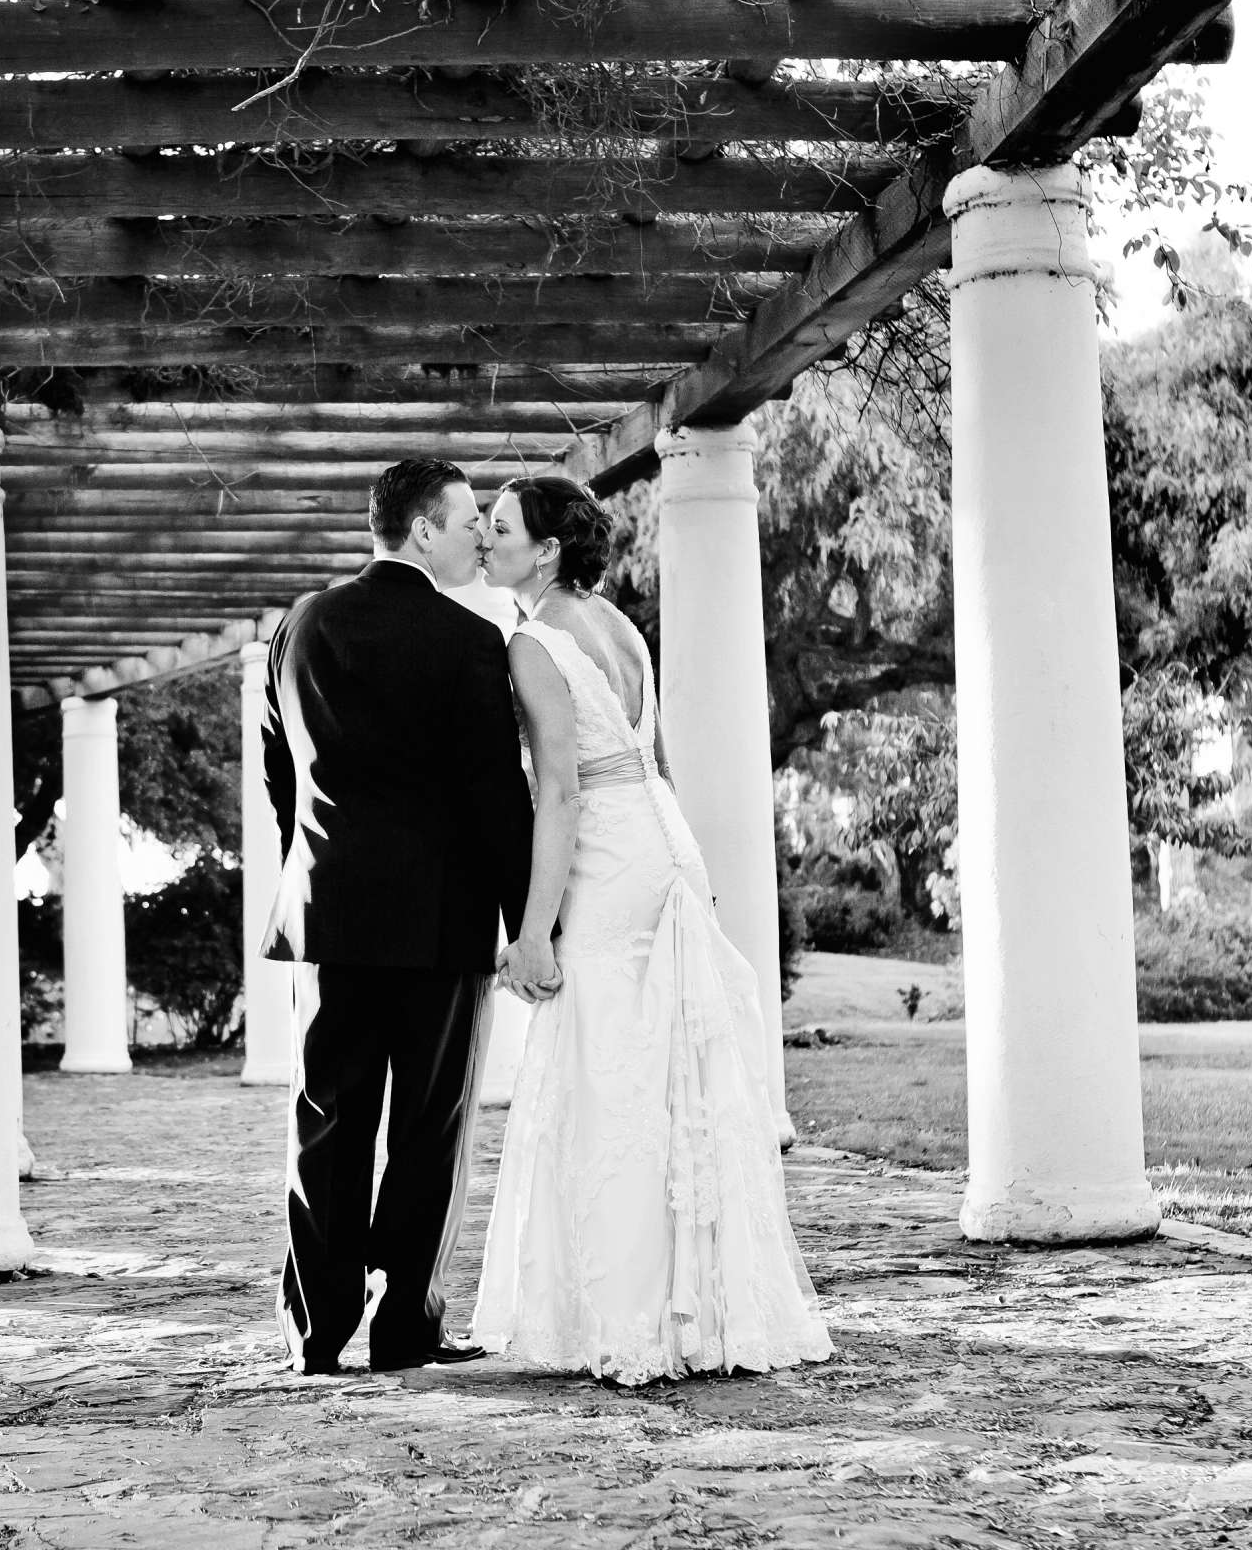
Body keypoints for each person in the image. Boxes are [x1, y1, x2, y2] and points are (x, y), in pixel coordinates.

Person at [471, 475, 831, 1384]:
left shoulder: (533, 643)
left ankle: (629, 1316)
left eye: (502, 528)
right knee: (674, 1073)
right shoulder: (623, 625)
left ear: (546, 550)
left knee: (611, 1075)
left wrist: (534, 930)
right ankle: (704, 1308)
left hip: (607, 860)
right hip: (665, 842)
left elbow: (560, 788)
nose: (486, 540)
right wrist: (685, 867)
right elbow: (657, 759)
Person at [261, 457, 540, 1375]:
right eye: (466, 520)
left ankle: (318, 1331)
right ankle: (404, 1332)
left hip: (330, 919)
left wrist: (315, 867)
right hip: (439, 928)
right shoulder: (469, 639)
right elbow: (499, 799)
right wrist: (529, 921)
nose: (476, 536)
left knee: (327, 1121)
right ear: (423, 529)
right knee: (428, 1130)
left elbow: (279, 774)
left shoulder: (301, 625)